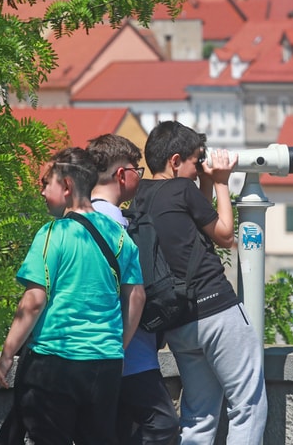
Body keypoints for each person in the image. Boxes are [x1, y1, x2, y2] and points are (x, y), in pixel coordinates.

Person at [0, 147, 145, 445]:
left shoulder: (53, 234)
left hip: (55, 363)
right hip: (105, 366)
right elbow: (136, 297)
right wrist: (115, 346)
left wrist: (7, 354)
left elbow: (34, 300)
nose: (40, 192)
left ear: (66, 186)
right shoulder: (120, 235)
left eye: (44, 183)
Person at [135, 121, 267, 445]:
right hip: (217, 311)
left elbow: (192, 222)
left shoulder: (140, 197)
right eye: (196, 161)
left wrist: (204, 182)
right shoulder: (182, 189)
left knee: (199, 414)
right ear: (175, 161)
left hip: (179, 322)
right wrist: (222, 182)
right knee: (248, 405)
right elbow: (223, 235)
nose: (198, 170)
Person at [87, 133, 180, 445]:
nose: (139, 176)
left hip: (91, 356)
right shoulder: (118, 228)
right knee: (162, 425)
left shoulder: (74, 223)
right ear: (122, 174)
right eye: (137, 170)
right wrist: (120, 347)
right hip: (130, 356)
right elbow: (135, 294)